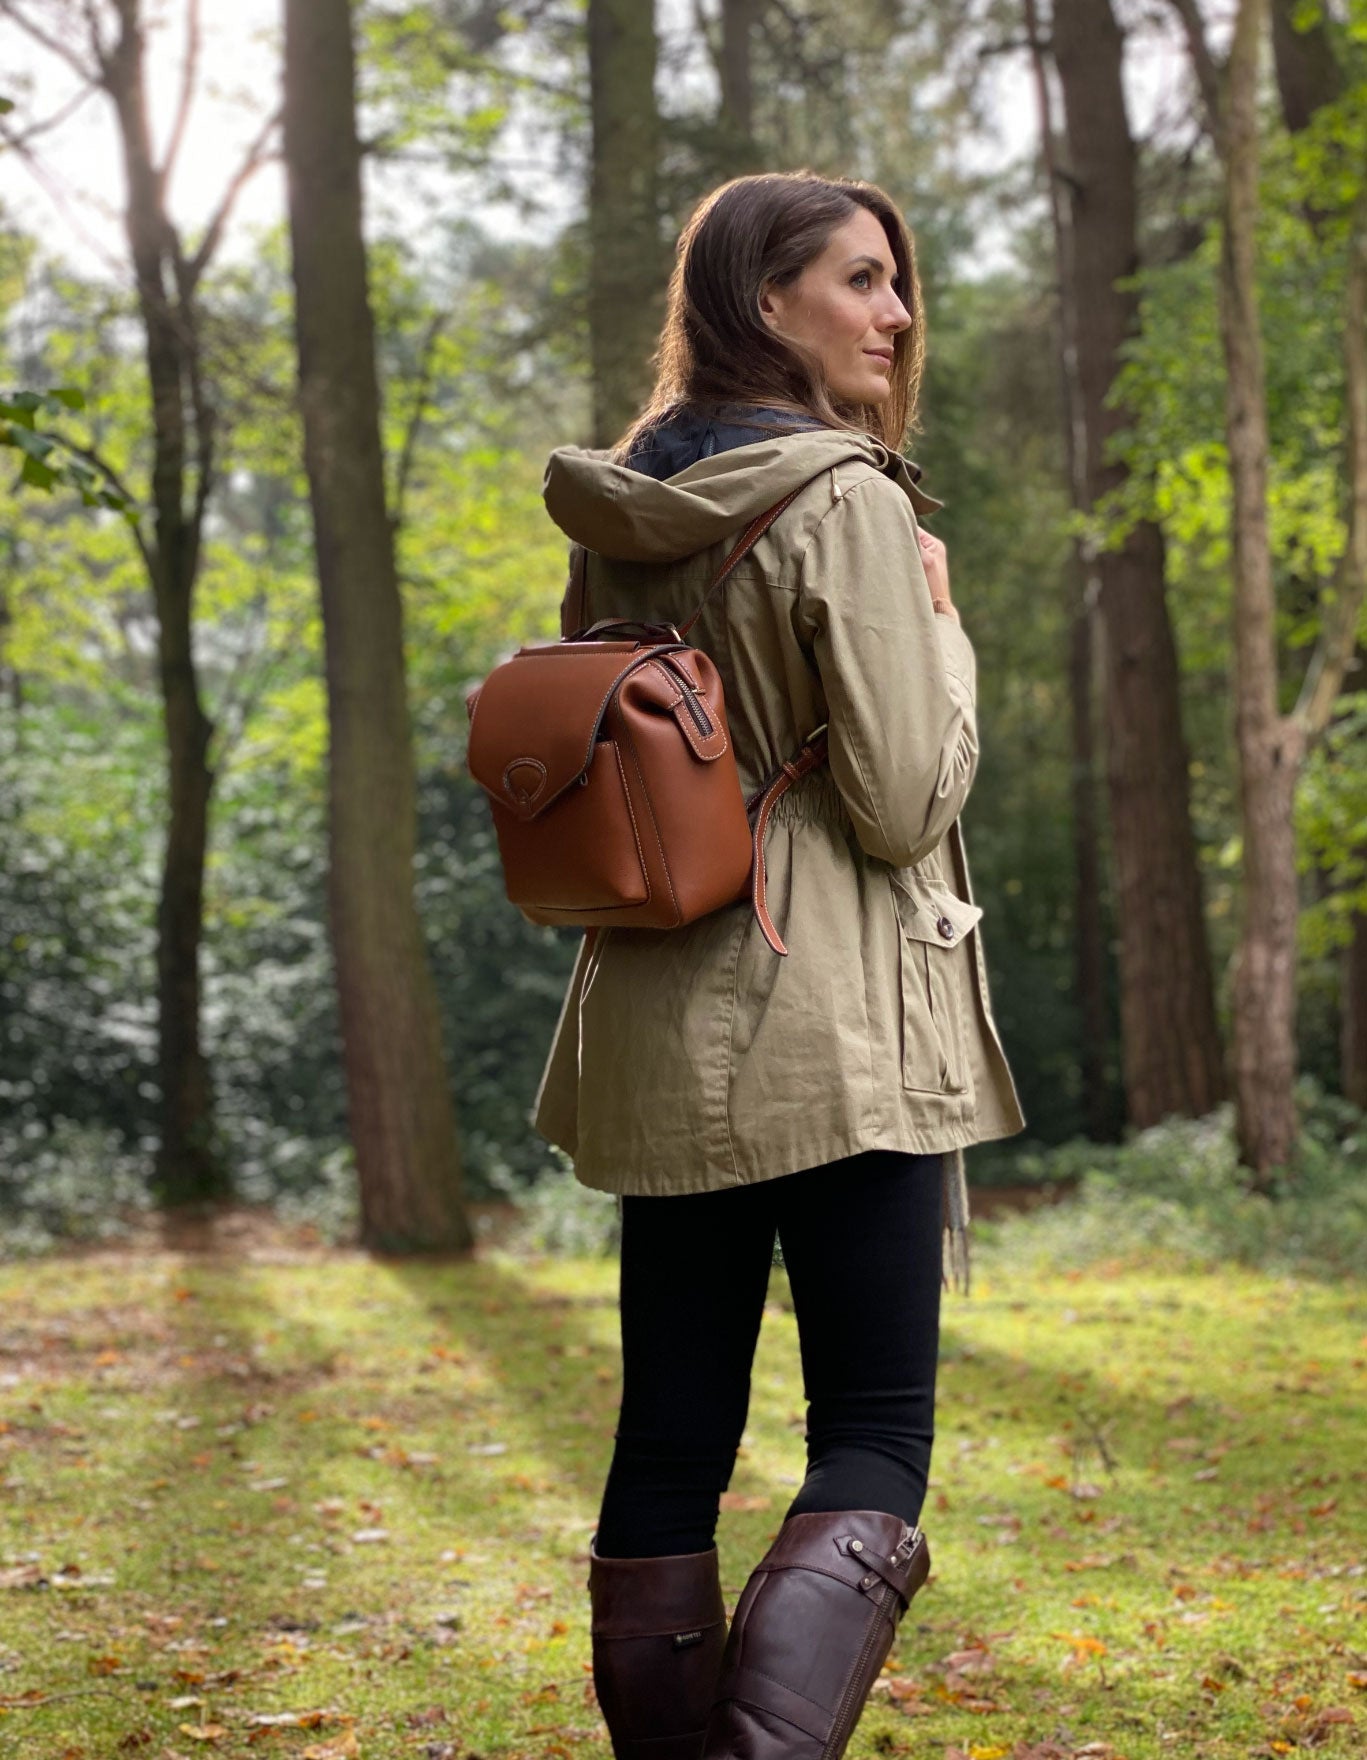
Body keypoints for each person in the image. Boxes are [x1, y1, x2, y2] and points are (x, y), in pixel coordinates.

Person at [532, 171, 1026, 1760]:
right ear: (766, 304)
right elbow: (897, 802)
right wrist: (943, 632)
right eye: (863, 280)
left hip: (662, 1019)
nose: (896, 314)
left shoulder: (616, 510)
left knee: (671, 1437)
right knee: (874, 1433)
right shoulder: (851, 503)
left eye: (899, 284)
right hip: (834, 1031)